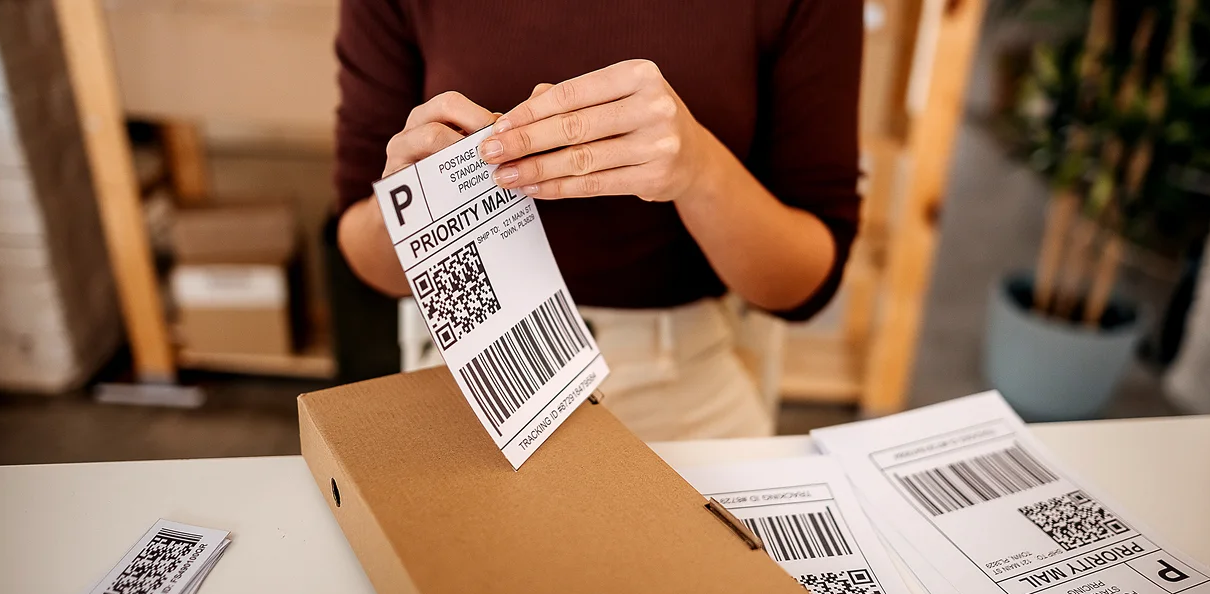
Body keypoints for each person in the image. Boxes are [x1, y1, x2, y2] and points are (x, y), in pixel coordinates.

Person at [335, 0, 862, 441]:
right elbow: (361, 248)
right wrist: (410, 204)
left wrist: (699, 170)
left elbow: (806, 281)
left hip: (685, 381)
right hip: (464, 372)